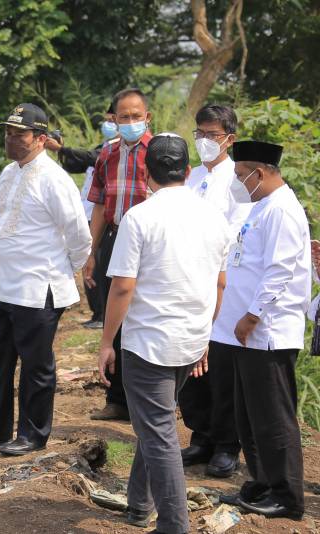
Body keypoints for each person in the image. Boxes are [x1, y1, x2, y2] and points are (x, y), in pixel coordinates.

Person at [97, 133, 230, 534]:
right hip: (190, 339)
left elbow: (123, 287)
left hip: (149, 345)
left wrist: (106, 342)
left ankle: (174, 525)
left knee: (159, 434)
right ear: (187, 171)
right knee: (154, 423)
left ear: (145, 172)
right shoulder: (214, 217)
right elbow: (220, 283)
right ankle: (140, 504)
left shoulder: (140, 217)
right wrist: (205, 335)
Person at [0, 103, 91, 456]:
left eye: (20, 134)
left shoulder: (54, 179)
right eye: (8, 133)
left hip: (38, 286)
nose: (11, 139)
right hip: (4, 286)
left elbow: (79, 235)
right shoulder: (8, 173)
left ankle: (33, 434)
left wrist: (66, 268)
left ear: (41, 139)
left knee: (35, 364)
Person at [211, 141, 311, 520]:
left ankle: (287, 497)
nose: (237, 182)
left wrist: (252, 316)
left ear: (260, 172)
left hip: (267, 332)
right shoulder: (261, 205)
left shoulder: (282, 209)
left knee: (272, 419)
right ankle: (262, 483)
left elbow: (280, 269)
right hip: (245, 335)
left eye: (241, 175)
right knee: (249, 417)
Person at [178, 104, 253, 478]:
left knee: (220, 366)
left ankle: (227, 443)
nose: (205, 140)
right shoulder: (190, 178)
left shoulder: (237, 181)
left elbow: (235, 232)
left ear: (229, 138)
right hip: (188, 281)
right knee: (192, 362)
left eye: (212, 134)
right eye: (200, 134)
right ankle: (201, 435)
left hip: (223, 281)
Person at [85, 88, 153, 421]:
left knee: (145, 314)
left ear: (147, 117)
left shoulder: (158, 152)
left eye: (136, 116)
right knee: (116, 315)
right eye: (123, 117)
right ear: (114, 119)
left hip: (150, 243)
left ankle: (150, 398)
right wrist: (91, 252)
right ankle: (117, 399)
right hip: (114, 238)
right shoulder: (107, 155)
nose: (130, 122)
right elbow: (99, 205)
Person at [45, 103, 120, 329]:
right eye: (107, 120)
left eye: (112, 120)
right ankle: (97, 313)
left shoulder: (114, 151)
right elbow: (76, 164)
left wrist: (61, 149)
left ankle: (103, 315)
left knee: (98, 267)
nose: (108, 124)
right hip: (87, 214)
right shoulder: (103, 146)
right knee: (90, 265)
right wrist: (61, 151)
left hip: (102, 217)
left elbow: (89, 157)